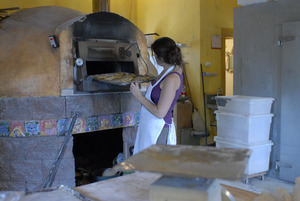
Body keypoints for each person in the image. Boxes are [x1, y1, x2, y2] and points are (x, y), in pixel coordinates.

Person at [130, 37, 184, 155]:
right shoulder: (168, 70)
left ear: (161, 57)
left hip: (159, 129)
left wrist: (139, 96)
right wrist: (150, 78)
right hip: (151, 126)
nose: (154, 57)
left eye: (154, 55)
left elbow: (160, 113)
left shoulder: (172, 78)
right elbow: (160, 87)